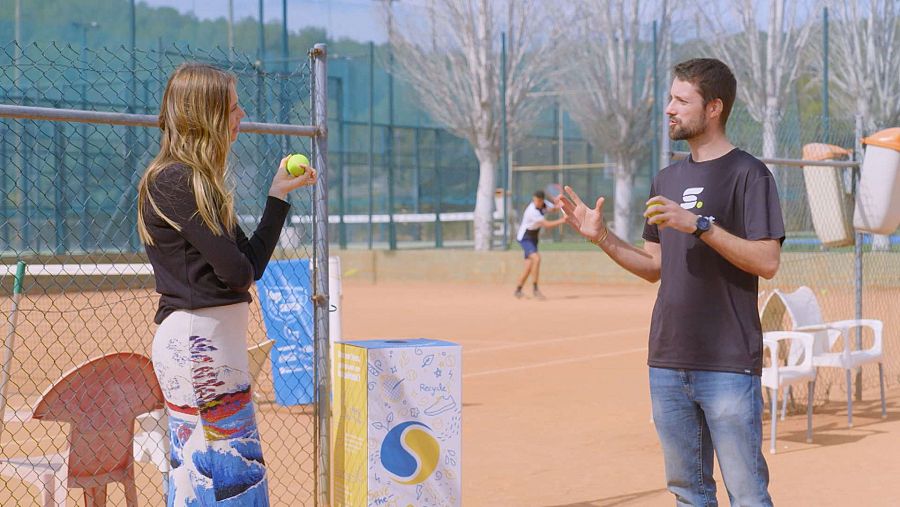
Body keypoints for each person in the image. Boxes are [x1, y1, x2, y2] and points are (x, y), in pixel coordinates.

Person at [559, 58, 783, 505]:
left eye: (682, 100)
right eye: (670, 98)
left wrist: (699, 224)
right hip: (667, 360)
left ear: (714, 107)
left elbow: (768, 260)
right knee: (688, 494)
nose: (669, 109)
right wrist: (602, 237)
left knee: (748, 494)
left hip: (728, 363)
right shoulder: (667, 178)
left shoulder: (749, 174)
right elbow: (654, 266)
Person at [136, 63, 317, 506]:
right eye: (233, 106)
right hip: (199, 345)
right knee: (226, 481)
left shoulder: (199, 183)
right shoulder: (175, 180)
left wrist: (277, 196)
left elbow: (249, 266)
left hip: (212, 346)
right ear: (208, 115)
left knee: (218, 478)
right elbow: (235, 273)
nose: (242, 113)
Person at [514, 189, 566, 299]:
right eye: (535, 200)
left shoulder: (544, 204)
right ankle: (535, 289)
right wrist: (562, 221)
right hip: (525, 237)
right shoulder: (532, 211)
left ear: (542, 200)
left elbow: (553, 209)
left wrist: (560, 204)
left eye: (538, 201)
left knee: (528, 267)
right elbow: (546, 224)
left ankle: (518, 290)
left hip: (533, 237)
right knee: (537, 259)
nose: (536, 202)